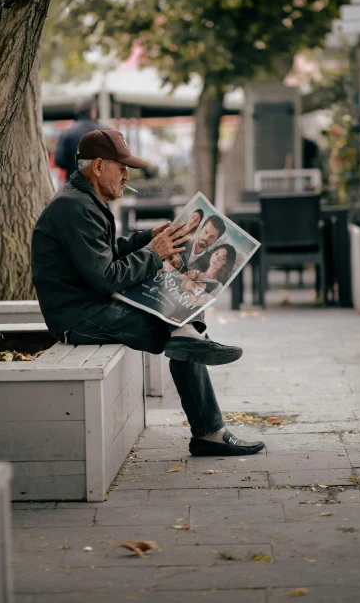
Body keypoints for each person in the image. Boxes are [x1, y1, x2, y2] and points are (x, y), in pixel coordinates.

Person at [31, 129, 265, 457]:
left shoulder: (82, 199)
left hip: (91, 303)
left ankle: (195, 358)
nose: (127, 176)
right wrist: (154, 253)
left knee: (183, 311)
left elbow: (106, 253)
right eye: (121, 168)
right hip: (79, 316)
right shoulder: (76, 208)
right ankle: (208, 426)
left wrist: (147, 238)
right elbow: (106, 276)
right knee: (178, 330)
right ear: (98, 167)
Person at [54, 100, 110, 180]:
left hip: (74, 182)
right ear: (93, 112)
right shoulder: (106, 131)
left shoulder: (67, 133)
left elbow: (59, 161)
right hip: (99, 183)